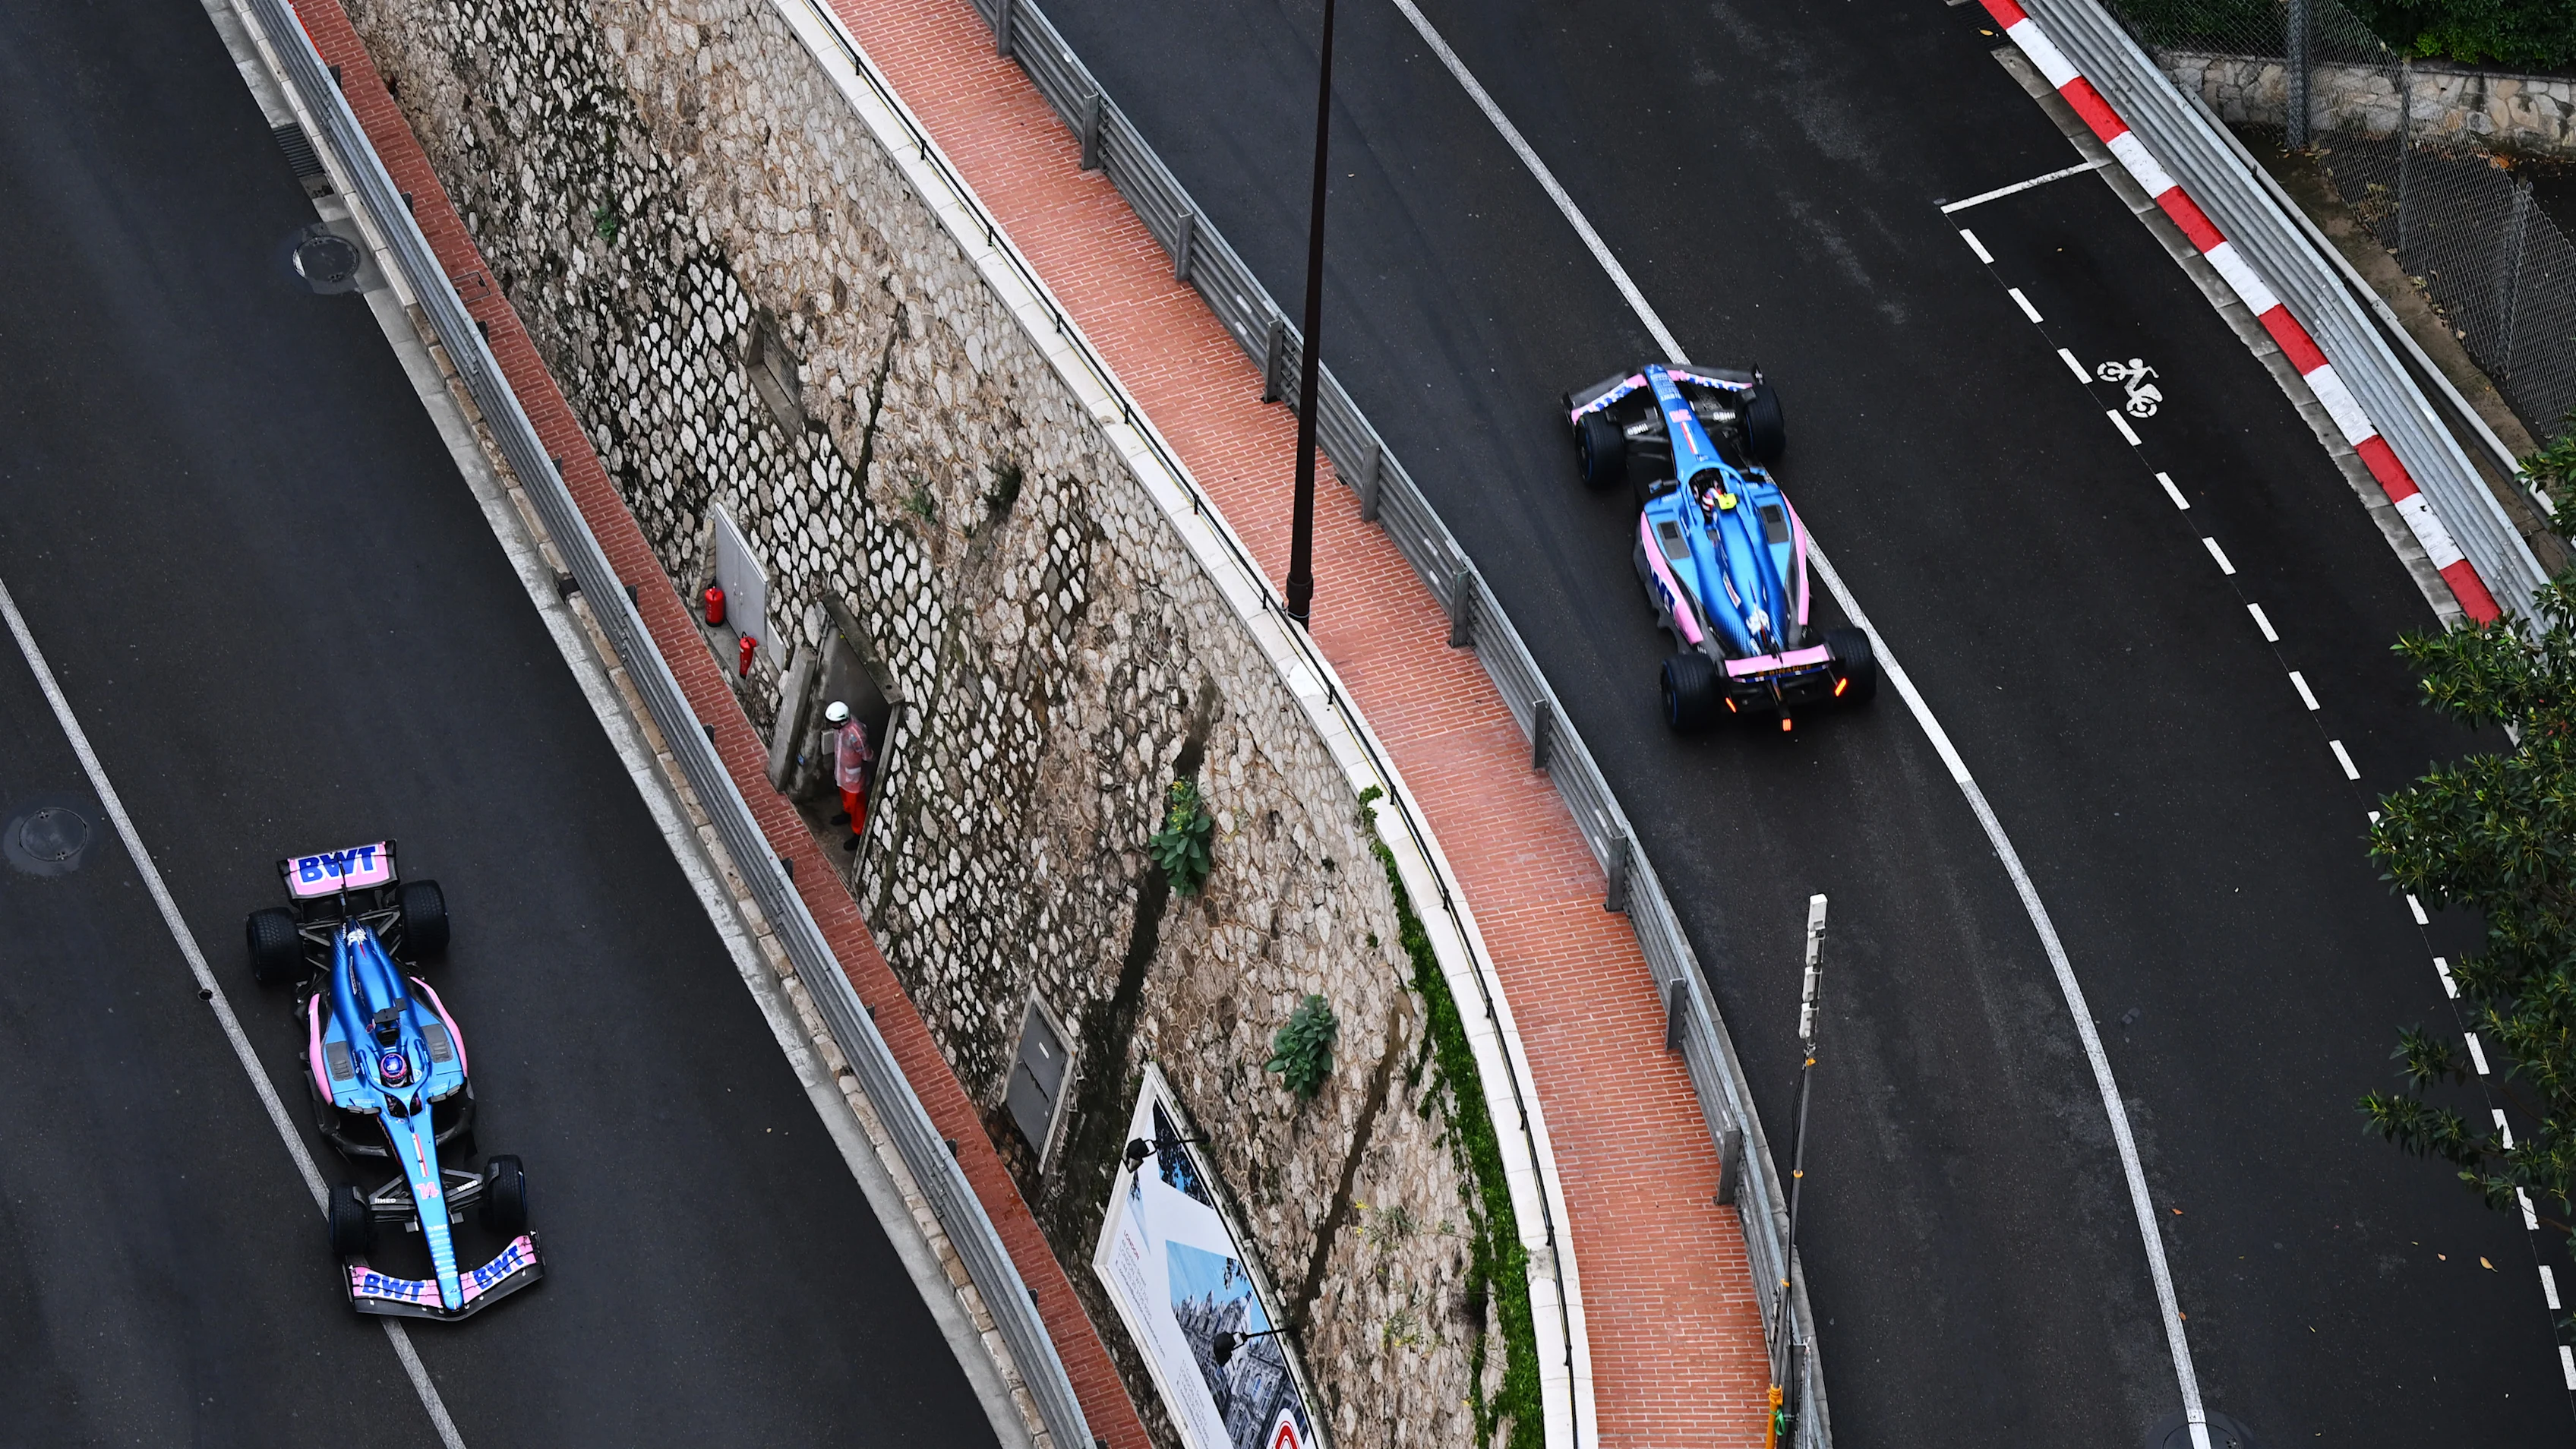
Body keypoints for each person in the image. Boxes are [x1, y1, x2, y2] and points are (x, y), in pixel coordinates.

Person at [823, 700, 873, 851]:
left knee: (857, 805)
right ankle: (846, 813)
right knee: (845, 796)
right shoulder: (841, 730)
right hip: (843, 771)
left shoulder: (855, 733)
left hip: (854, 776)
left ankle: (859, 833)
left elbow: (866, 754)